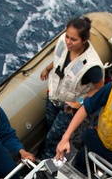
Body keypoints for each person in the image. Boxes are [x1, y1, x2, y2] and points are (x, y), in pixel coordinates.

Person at [39, 15, 105, 159]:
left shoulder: (91, 66)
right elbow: (59, 59)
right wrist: (48, 68)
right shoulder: (64, 42)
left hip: (69, 106)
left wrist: (78, 103)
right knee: (50, 127)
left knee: (54, 137)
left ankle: (46, 161)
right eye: (68, 37)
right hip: (54, 97)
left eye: (73, 39)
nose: (68, 42)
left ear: (84, 40)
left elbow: (99, 88)